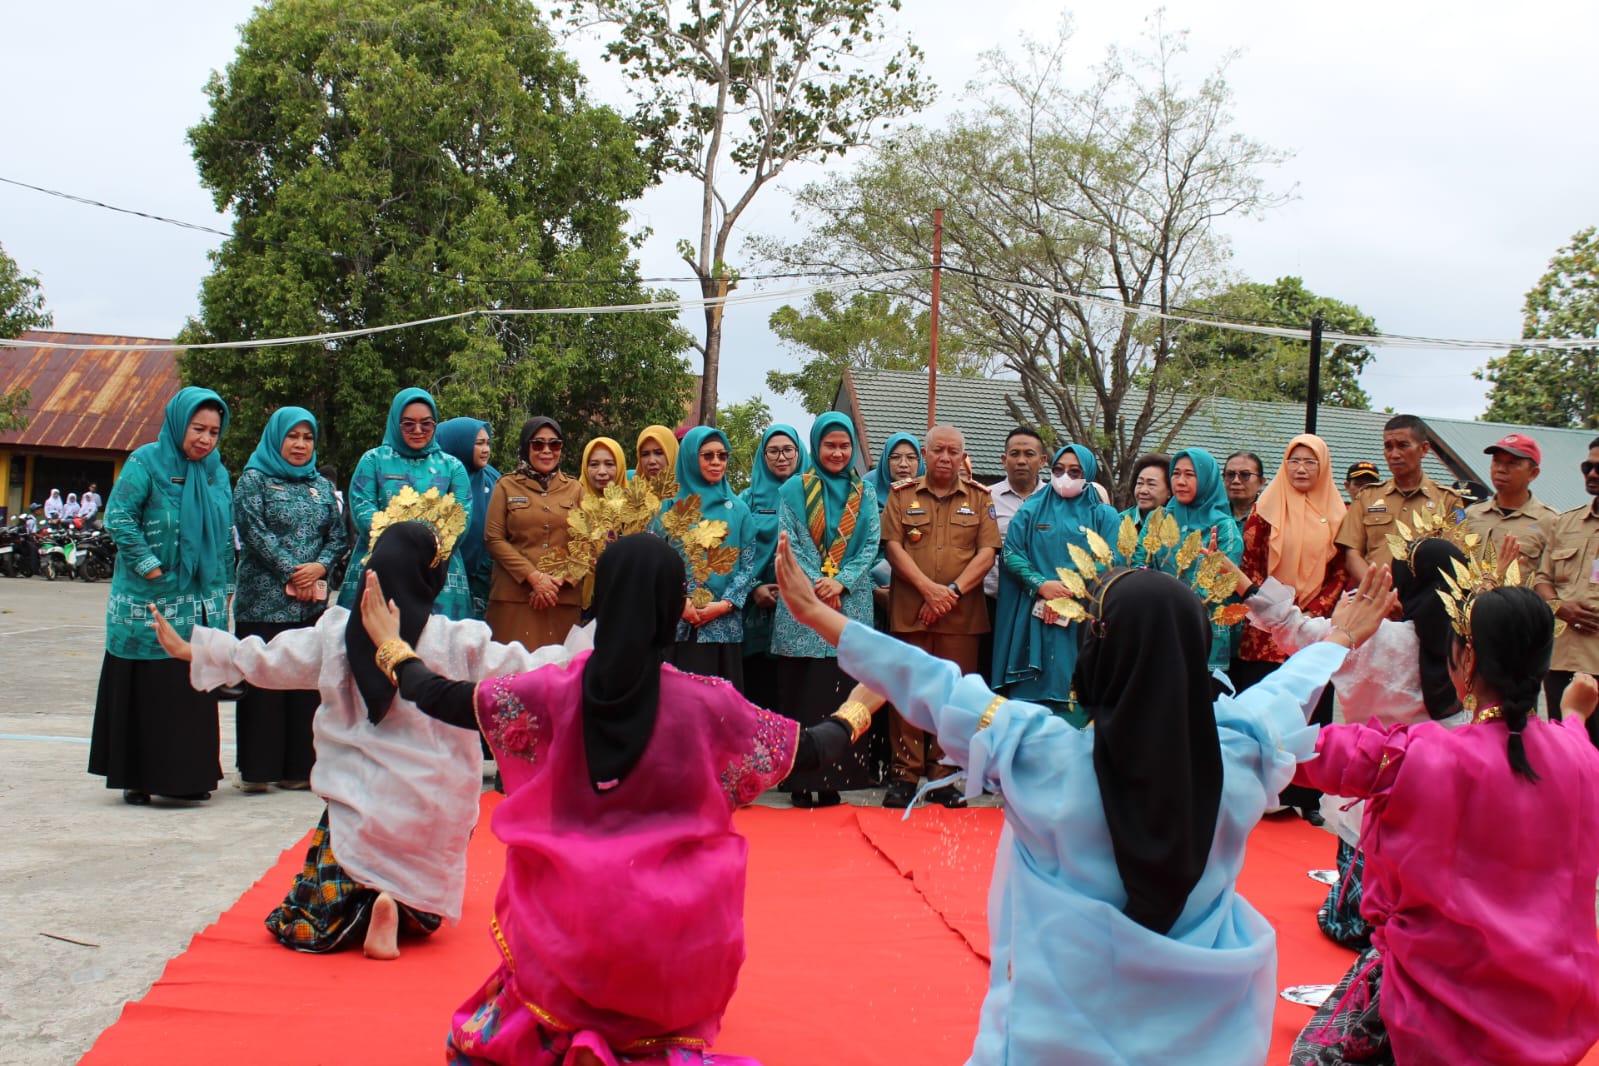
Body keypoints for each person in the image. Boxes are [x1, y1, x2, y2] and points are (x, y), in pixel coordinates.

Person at [776, 528, 1395, 1065]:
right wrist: (1339, 638)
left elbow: (934, 687)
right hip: (1203, 1038)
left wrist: (821, 617)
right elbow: (1282, 696)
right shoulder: (1243, 761)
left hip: (1055, 1039)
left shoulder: (1038, 756)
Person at [338, 533, 880, 1063]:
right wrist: (863, 702)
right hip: (669, 938)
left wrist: (392, 646)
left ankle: (577, 1029)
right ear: (670, 607)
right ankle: (635, 1036)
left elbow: (441, 697)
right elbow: (809, 750)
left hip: (564, 930)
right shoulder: (708, 706)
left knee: (528, 962)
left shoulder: (551, 691)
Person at [154, 519, 574, 958]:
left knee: (311, 899)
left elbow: (270, 658)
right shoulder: (456, 641)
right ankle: (402, 904)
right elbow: (521, 668)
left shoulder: (336, 634)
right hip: (429, 798)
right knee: (425, 869)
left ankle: (360, 901)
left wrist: (199, 650)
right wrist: (582, 655)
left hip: (356, 800)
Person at [1289, 587, 1599, 1066]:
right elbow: (1572, 736)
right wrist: (1576, 714)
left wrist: (1338, 640)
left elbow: (1279, 743)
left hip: (1433, 1010)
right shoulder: (1581, 757)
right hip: (1553, 1015)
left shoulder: (1412, 756)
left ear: (1466, 659)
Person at [88, 386, 233, 806]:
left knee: (189, 685)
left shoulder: (215, 471)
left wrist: (226, 587)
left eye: (213, 432)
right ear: (178, 424)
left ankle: (190, 777)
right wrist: (148, 562)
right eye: (198, 428)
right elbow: (119, 517)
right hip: (147, 597)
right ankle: (139, 777)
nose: (205, 439)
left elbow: (224, 533)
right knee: (150, 685)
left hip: (200, 599)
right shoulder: (145, 462)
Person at [878, 424, 1002, 808]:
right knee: (910, 694)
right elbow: (893, 548)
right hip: (911, 611)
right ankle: (903, 774)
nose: (945, 458)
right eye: (937, 451)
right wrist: (929, 590)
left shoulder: (981, 499)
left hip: (961, 616)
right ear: (925, 454)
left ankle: (944, 777)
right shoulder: (901, 496)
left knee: (955, 697)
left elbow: (987, 554)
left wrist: (950, 592)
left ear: (962, 455)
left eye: (953, 451)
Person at [230, 406, 347, 793]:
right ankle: (259, 770)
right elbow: (253, 531)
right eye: (292, 436)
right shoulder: (254, 480)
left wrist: (320, 567)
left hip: (309, 603)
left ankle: (299, 767)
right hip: (262, 600)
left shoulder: (321, 485)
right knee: (263, 682)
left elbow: (338, 535)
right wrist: (292, 569)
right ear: (276, 438)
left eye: (307, 437)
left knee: (303, 687)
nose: (300, 444)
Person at [1234, 434, 1348, 824]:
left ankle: (1306, 795)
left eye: (1310, 462)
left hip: (1315, 628)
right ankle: (1259, 790)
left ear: (1323, 467)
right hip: (1264, 626)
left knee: (1310, 711)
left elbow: (1341, 572)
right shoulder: (1264, 511)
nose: (1301, 468)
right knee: (1264, 707)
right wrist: (1274, 609)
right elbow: (1249, 565)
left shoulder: (1338, 514)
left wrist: (1310, 614)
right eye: (1294, 460)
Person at [771, 413, 880, 807]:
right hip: (803, 604)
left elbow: (870, 544)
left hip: (849, 603)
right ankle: (800, 781)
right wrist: (819, 581)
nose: (837, 452)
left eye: (844, 446)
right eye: (829, 445)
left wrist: (842, 581)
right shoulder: (792, 491)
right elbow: (790, 542)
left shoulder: (864, 493)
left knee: (841, 687)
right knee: (804, 691)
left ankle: (837, 777)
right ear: (815, 447)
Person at [991, 443, 1121, 727]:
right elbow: (1012, 553)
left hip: (1082, 615)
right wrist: (1041, 586)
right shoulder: (1031, 509)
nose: (1065, 477)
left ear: (1088, 473)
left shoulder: (1104, 515)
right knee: (1030, 693)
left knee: (1075, 687)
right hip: (1033, 612)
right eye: (1059, 470)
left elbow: (1112, 560)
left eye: (1075, 472)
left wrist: (1069, 591)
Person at [339, 387, 473, 619]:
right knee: (376, 641)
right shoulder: (373, 460)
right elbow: (363, 506)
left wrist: (429, 548)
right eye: (408, 424)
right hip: (382, 563)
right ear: (395, 423)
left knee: (441, 646)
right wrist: (398, 547)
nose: (418, 430)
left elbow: (462, 515)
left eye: (426, 424)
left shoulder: (452, 467)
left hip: (439, 569)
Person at [652, 426, 759, 689]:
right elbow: (654, 562)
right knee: (678, 708)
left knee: (720, 711)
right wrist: (680, 603)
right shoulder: (669, 505)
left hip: (724, 628)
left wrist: (724, 605)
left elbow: (748, 566)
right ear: (690, 457)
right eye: (707, 455)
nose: (716, 462)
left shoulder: (739, 510)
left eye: (722, 456)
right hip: (678, 625)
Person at [1132, 446, 1243, 672]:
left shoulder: (1223, 527)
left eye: (1189, 475)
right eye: (1176, 474)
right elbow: (1138, 562)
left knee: (1201, 703)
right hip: (1157, 626)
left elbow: (1221, 584)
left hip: (1204, 632)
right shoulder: (1159, 517)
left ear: (1206, 480)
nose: (1180, 481)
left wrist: (1178, 608)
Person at [484, 417, 585, 650]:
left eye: (555, 444)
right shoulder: (506, 486)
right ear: (525, 447)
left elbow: (588, 544)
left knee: (558, 677)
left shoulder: (575, 489)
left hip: (560, 600)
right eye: (538, 444)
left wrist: (556, 582)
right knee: (510, 676)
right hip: (514, 599)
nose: (547, 451)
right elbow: (493, 539)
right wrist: (534, 577)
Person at [1336, 414, 1465, 583]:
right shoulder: (1367, 497)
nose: (1394, 454)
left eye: (1403, 446)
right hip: (1374, 598)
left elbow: (1454, 559)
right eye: (1389, 447)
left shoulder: (1448, 500)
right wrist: (1378, 592)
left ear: (1424, 449)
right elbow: (1352, 554)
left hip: (1426, 601)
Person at [1534, 435, 1599, 736]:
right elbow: (1542, 579)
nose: (1592, 474)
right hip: (1562, 659)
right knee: (1563, 744)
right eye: (1588, 467)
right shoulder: (1566, 523)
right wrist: (1560, 607)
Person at [738, 423, 805, 714]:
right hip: (756, 608)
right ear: (763, 456)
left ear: (799, 453)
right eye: (773, 451)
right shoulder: (746, 500)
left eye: (788, 450)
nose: (781, 457)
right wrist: (754, 588)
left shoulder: (813, 496)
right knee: (759, 692)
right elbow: (733, 551)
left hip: (803, 605)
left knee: (796, 693)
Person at [980, 427, 1046, 682]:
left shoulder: (1055, 499)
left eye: (1029, 454)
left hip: (1038, 602)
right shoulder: (985, 498)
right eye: (1014, 454)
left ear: (1042, 461)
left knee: (1029, 674)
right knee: (988, 671)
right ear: (1003, 460)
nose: (1021, 460)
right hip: (992, 601)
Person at [1463, 432, 1558, 575]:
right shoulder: (1471, 515)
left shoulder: (1551, 522)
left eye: (1512, 463)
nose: (1501, 469)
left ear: (1533, 473)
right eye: (1496, 461)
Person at [435, 417, 501, 619]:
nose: (486, 449)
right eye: (479, 443)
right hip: (444, 573)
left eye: (487, 442)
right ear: (459, 443)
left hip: (486, 577)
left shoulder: (494, 477)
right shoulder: (439, 480)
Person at [1119, 453, 1171, 533]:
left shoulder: (1178, 523)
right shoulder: (1120, 522)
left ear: (1169, 491)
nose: (1142, 491)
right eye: (1140, 483)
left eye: (1151, 484)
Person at [1223, 450, 1265, 524]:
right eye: (1230, 474)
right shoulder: (1214, 515)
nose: (1236, 481)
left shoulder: (1271, 518)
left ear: (1261, 482)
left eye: (1245, 475)